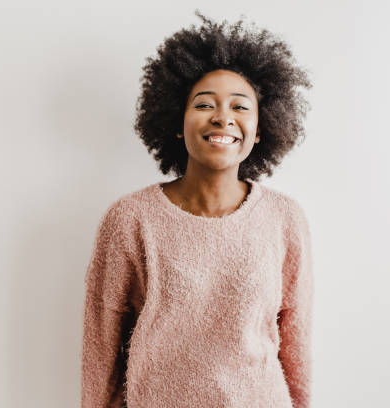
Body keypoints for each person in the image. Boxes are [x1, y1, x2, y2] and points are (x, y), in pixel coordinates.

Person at [81, 10, 314, 408]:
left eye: (241, 107)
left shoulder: (283, 218)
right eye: (205, 104)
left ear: (260, 130)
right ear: (178, 121)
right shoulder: (130, 219)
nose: (223, 116)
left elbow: (296, 342)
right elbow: (101, 344)